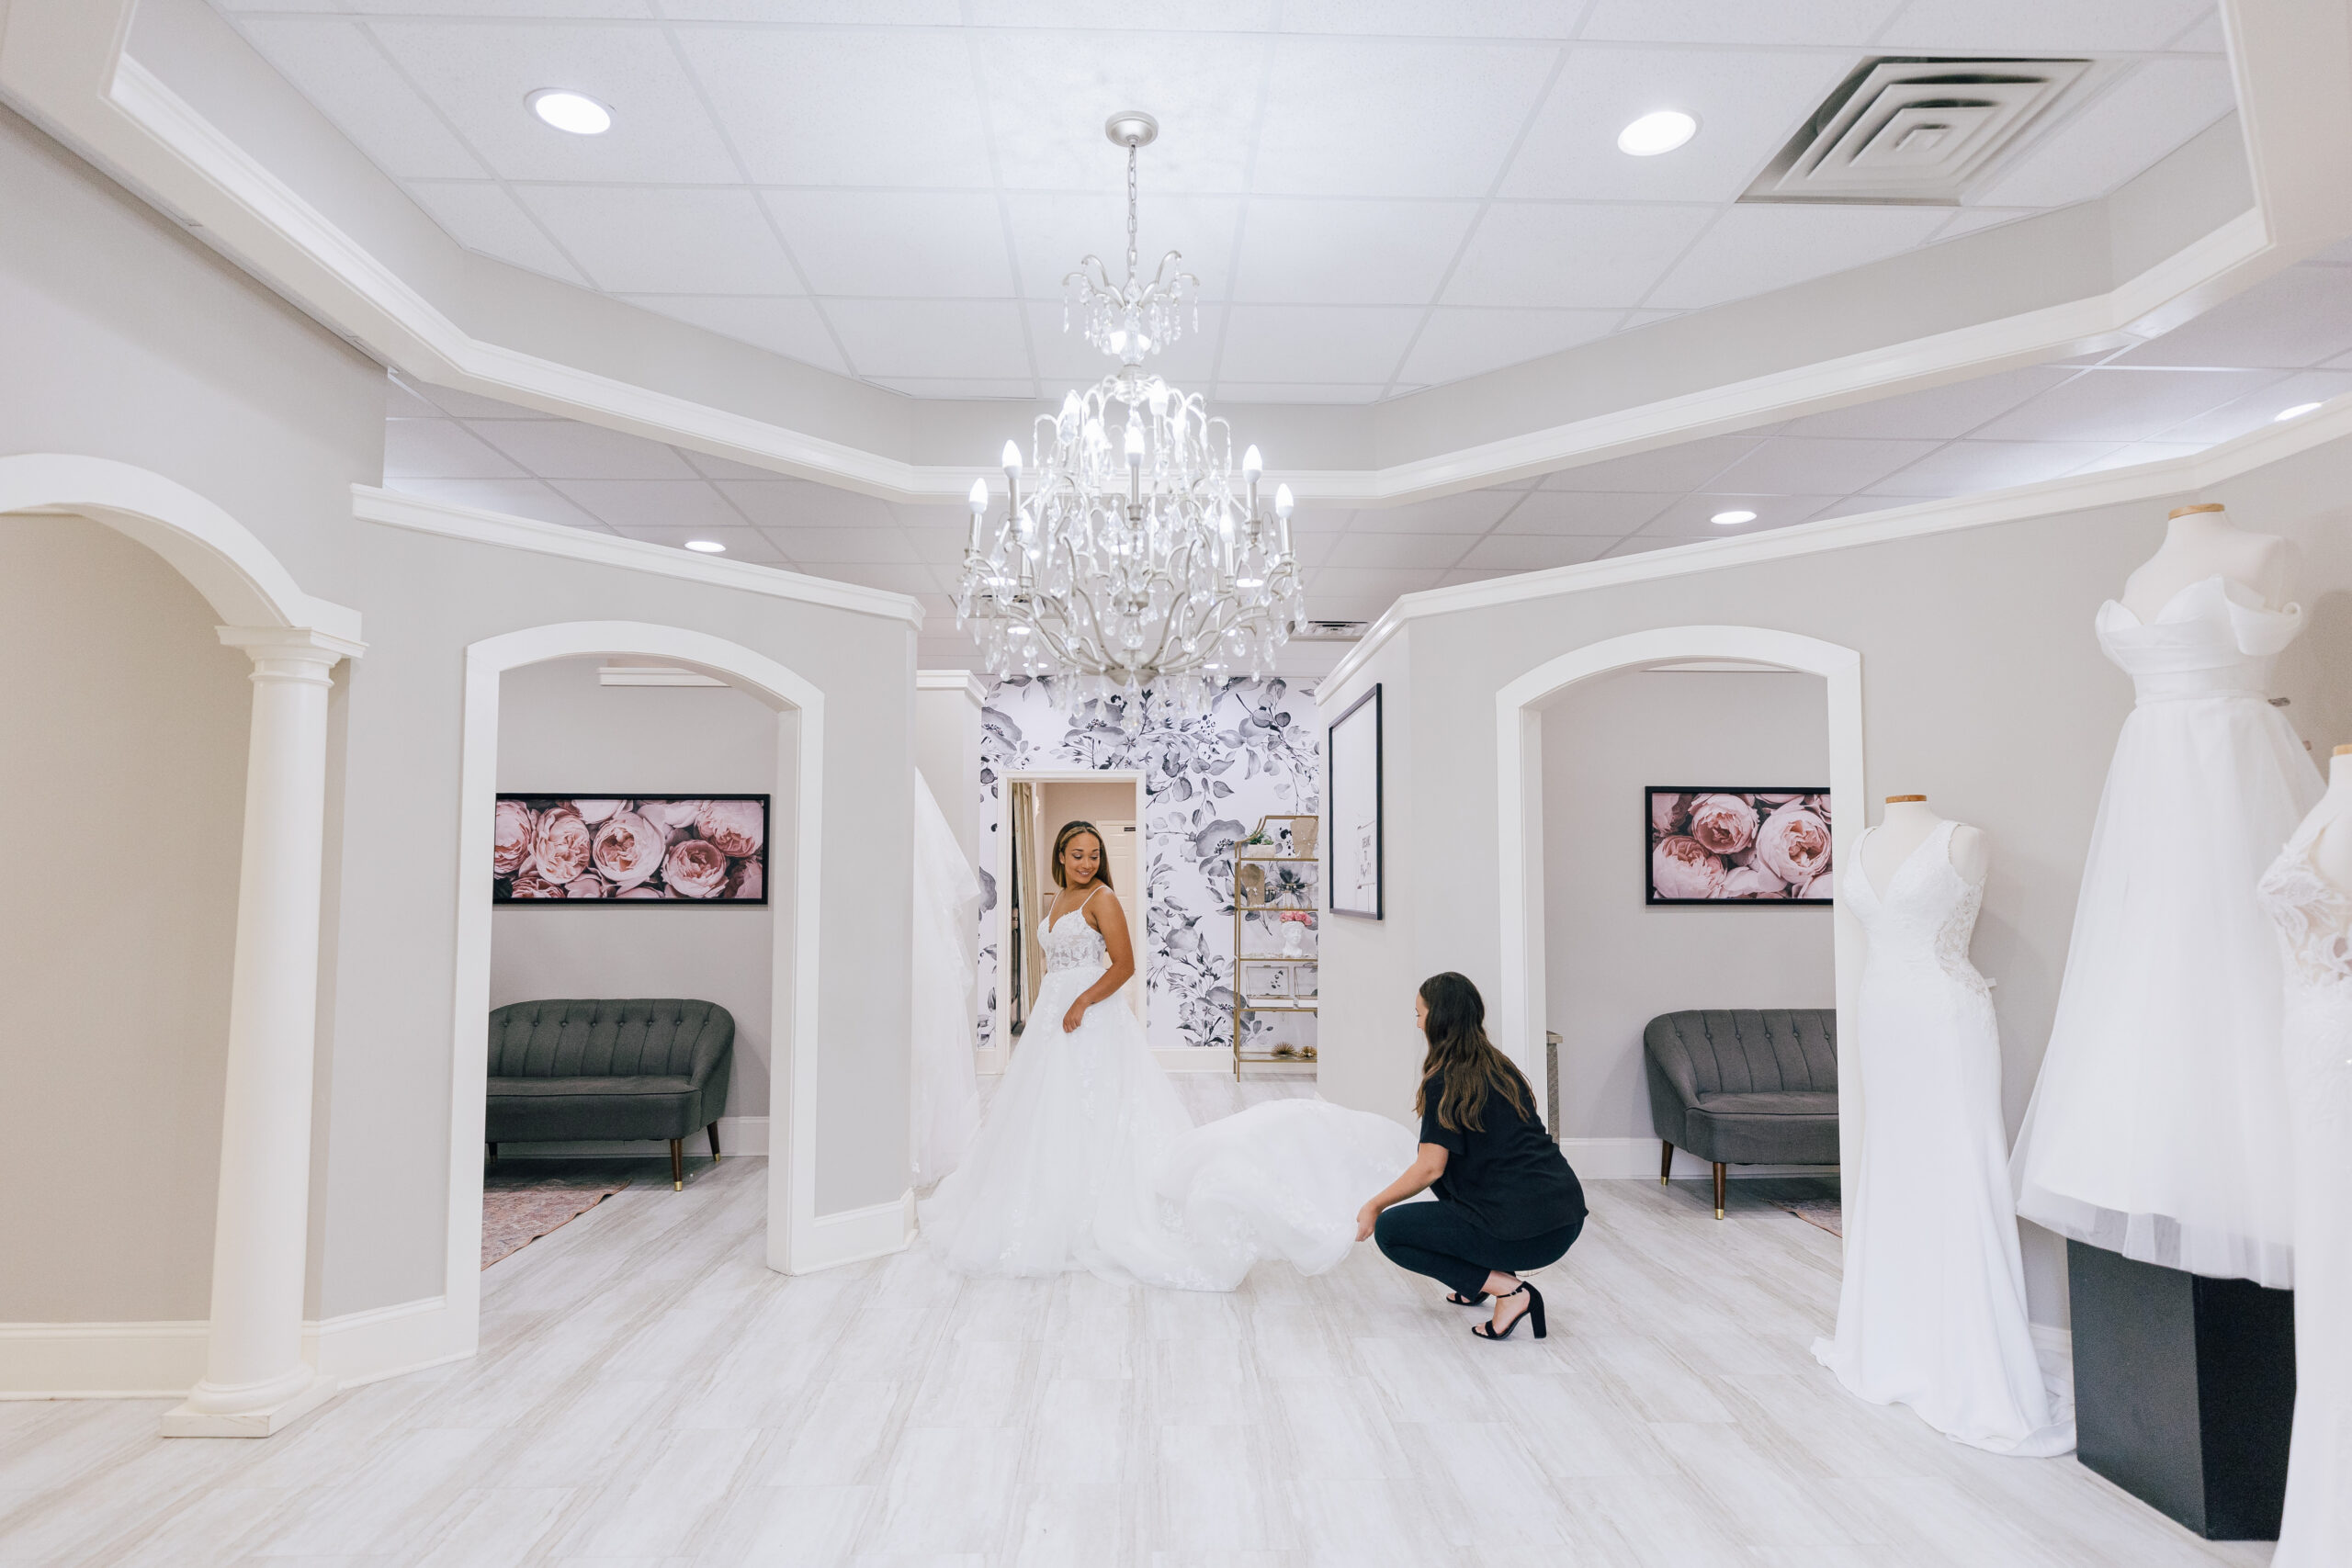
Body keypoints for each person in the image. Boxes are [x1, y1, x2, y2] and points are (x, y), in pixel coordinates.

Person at [921, 820, 1415, 1287]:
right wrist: (1055, 1004)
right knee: (1046, 1112)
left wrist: (1081, 1001)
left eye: (1094, 855)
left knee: (1097, 1109)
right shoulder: (1057, 898)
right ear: (1060, 858)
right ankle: (1045, 1203)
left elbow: (1125, 965)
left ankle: (1101, 1208)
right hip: (1053, 1016)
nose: (1086, 862)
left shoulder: (1102, 898)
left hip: (1088, 1014)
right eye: (1077, 855)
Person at [1357, 973, 1586, 1340]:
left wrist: (1374, 1206)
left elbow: (1430, 1168)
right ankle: (1477, 1284)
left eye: (1419, 1014)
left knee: (1393, 1231)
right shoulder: (1499, 1066)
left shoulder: (1445, 1080)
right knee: (1463, 1199)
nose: (1417, 1023)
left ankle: (1511, 1293)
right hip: (1565, 1216)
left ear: (1438, 1019)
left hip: (1527, 1231)